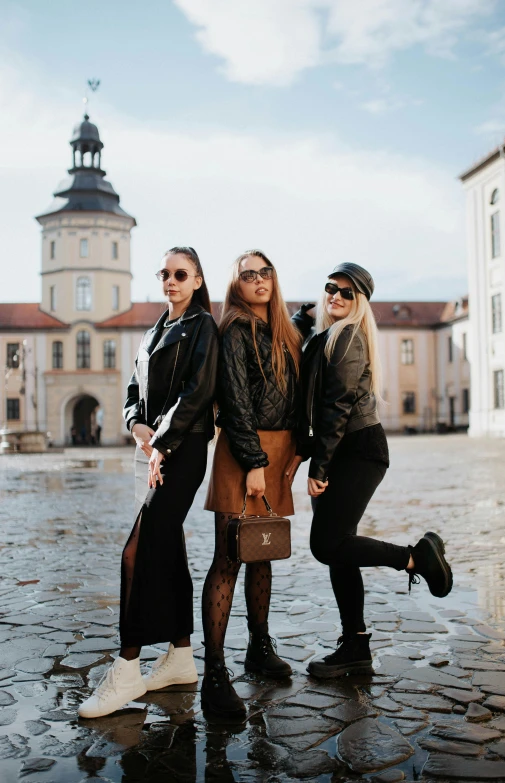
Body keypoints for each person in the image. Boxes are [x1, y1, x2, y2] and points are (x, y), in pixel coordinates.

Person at [288, 262, 453, 679]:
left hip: (357, 450)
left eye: (347, 293)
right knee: (338, 548)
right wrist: (301, 321)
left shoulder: (347, 338)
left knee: (327, 545)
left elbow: (337, 406)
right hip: (346, 450)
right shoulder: (329, 335)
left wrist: (319, 466)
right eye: (331, 289)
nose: (336, 297)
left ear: (360, 301)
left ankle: (416, 558)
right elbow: (311, 363)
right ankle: (355, 645)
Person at [79, 247, 218, 718]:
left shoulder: (202, 327)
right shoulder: (156, 328)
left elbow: (195, 392)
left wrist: (161, 441)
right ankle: (180, 655)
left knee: (137, 550)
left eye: (180, 274)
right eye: (165, 273)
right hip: (154, 450)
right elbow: (134, 390)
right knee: (167, 545)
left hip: (182, 450)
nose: (170, 280)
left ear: (197, 280)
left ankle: (128, 667)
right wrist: (135, 424)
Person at [201, 249, 302, 718]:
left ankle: (259, 647)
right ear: (236, 285)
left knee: (263, 551)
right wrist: (255, 461)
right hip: (245, 452)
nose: (258, 280)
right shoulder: (235, 330)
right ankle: (215, 674)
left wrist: (296, 450)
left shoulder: (286, 332)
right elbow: (236, 402)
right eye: (248, 275)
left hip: (277, 451)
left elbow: (294, 398)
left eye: (265, 272)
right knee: (229, 558)